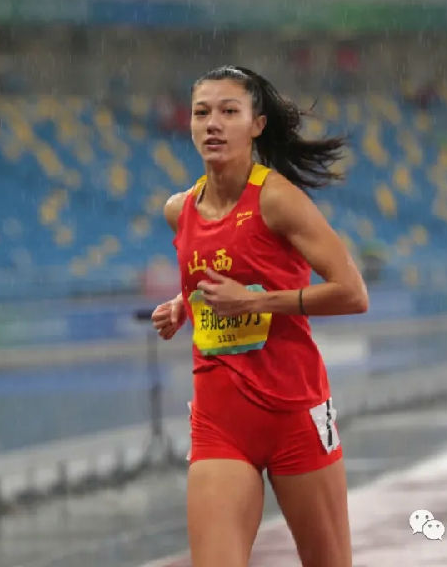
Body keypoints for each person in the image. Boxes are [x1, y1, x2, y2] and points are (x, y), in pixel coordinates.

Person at [151, 66, 368, 567]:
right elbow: (217, 273)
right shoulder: (179, 210)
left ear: (256, 125)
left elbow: (352, 293)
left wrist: (255, 303)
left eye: (229, 112)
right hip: (220, 422)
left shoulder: (276, 199)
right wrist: (185, 303)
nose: (213, 124)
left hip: (295, 412)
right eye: (202, 112)